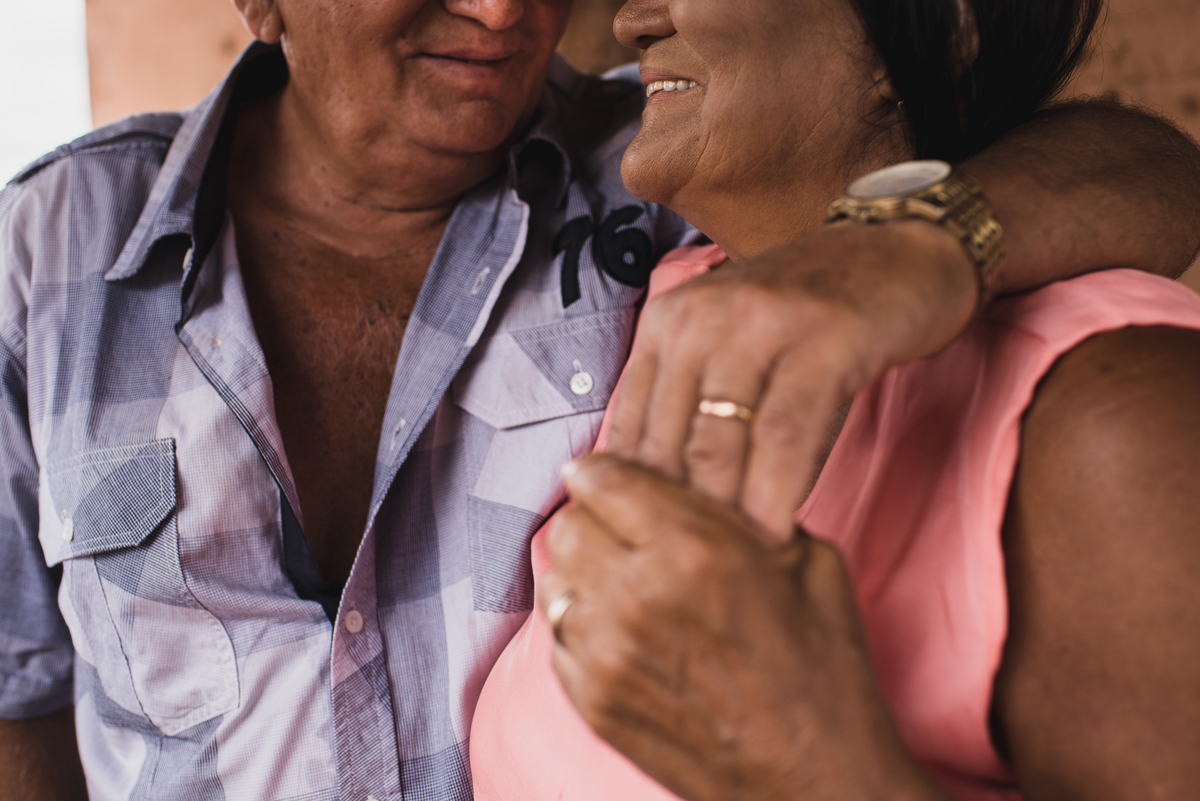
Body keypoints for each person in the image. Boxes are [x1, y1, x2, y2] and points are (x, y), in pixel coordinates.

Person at [0, 0, 1198, 799]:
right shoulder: (43, 254)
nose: (505, 9)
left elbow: (1142, 164)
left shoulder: (657, 177)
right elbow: (21, 705)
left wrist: (909, 240)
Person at [469, 0, 1200, 800]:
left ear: (945, 24)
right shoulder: (666, 297)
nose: (631, 18)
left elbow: (1157, 162)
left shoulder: (1113, 422)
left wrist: (807, 768)